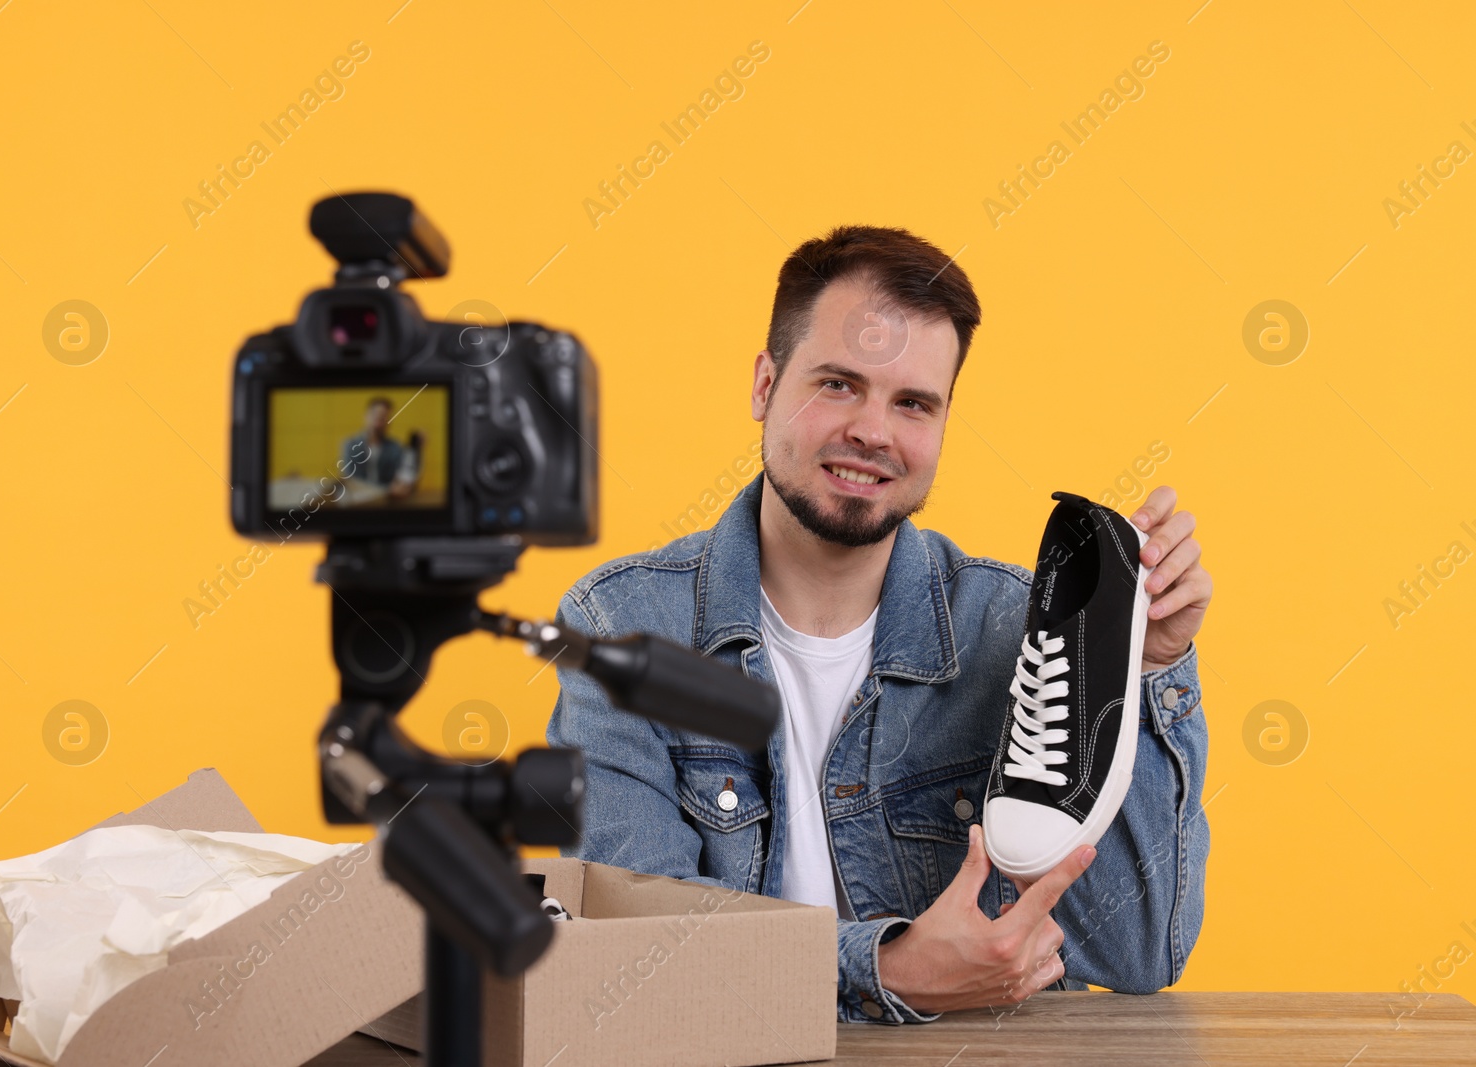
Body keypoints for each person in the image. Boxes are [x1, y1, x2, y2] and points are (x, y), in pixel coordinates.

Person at [546, 226, 1212, 1024]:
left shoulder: (1014, 630)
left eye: (913, 403)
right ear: (765, 385)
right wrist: (888, 970)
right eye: (837, 384)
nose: (874, 430)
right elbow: (633, 956)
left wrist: (1144, 669)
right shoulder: (623, 626)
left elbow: (1137, 953)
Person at [338, 396, 404, 490]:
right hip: (358, 498)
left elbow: (400, 479)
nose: (379, 420)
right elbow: (349, 479)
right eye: (376, 415)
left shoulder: (395, 447)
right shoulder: (350, 444)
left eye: (384, 417)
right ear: (366, 416)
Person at [389, 430, 424, 500]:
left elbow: (418, 468)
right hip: (402, 472)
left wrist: (414, 478)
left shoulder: (418, 452)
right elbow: (400, 462)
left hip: (410, 474)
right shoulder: (406, 449)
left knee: (403, 487)